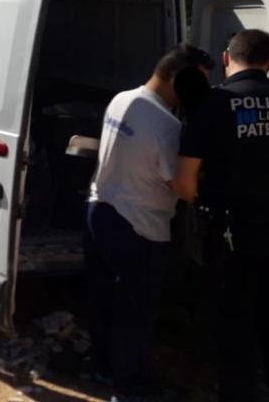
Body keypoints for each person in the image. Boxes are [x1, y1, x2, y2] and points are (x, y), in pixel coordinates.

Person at [175, 29, 269, 402]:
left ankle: (239, 392)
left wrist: (192, 203)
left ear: (228, 58)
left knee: (233, 318)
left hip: (231, 232)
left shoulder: (214, 103)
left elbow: (186, 179)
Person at [85, 44, 215, 397]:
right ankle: (130, 387)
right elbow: (184, 189)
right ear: (177, 78)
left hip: (102, 210)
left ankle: (103, 369)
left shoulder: (121, 99)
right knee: (136, 312)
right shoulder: (167, 127)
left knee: (106, 299)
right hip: (140, 226)